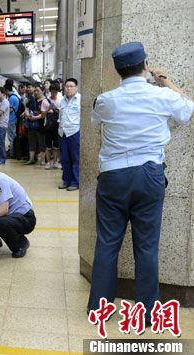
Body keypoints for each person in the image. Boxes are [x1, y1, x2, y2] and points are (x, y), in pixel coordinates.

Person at [88, 42, 193, 316]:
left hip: (112, 177)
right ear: (145, 65)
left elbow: (95, 121)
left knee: (108, 242)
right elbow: (187, 108)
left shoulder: (106, 100)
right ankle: (147, 310)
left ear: (117, 70)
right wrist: (164, 80)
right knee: (146, 247)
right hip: (149, 174)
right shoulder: (161, 96)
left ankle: (100, 308)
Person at [58, 78, 81, 191]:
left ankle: (75, 182)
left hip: (75, 132)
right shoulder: (62, 100)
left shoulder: (80, 100)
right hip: (63, 133)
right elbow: (60, 116)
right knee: (65, 158)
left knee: (76, 158)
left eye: (71, 86)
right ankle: (66, 180)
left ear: (76, 88)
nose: (68, 88)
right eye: (66, 86)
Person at [41, 83, 63, 169]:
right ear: (50, 91)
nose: (54, 93)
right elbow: (42, 115)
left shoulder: (61, 100)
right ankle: (48, 163)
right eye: (53, 92)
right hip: (48, 126)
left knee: (56, 146)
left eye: (56, 92)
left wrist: (56, 110)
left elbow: (62, 113)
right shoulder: (45, 101)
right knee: (48, 146)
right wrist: (49, 109)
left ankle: (55, 162)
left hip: (58, 125)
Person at [5, 84, 20, 159]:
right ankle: (13, 152)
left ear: (7, 90)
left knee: (11, 138)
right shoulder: (15, 96)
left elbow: (10, 109)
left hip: (11, 119)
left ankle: (12, 153)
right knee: (13, 136)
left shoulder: (12, 98)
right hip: (14, 119)